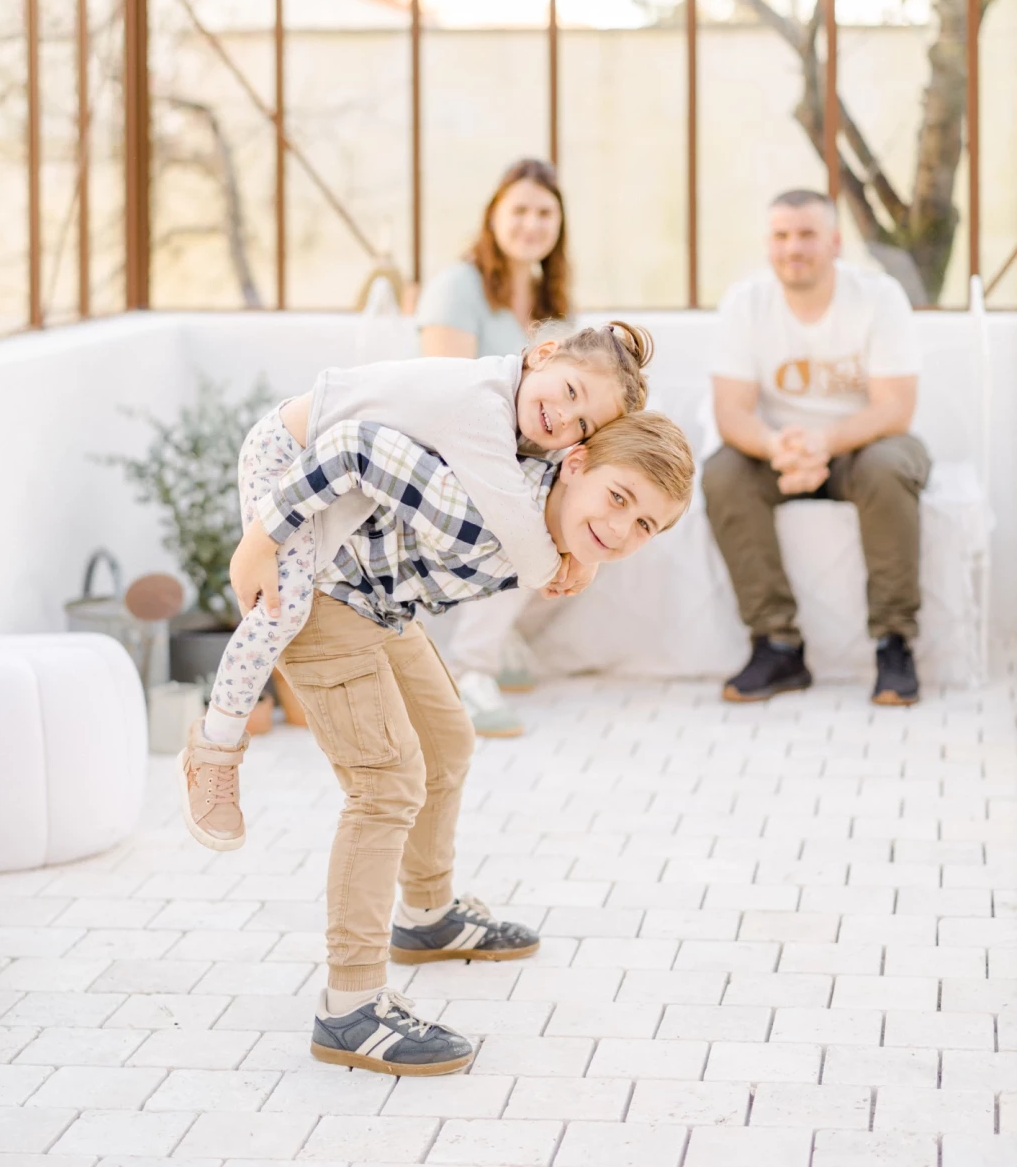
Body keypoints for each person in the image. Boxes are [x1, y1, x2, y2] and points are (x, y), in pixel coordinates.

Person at [212, 404, 694, 1075]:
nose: (621, 527)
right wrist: (265, 536)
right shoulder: (478, 497)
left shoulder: (554, 513)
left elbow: (581, 528)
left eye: (645, 524)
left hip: (377, 598)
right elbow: (354, 443)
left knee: (447, 741)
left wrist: (581, 554)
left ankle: (427, 914)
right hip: (318, 589)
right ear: (574, 465)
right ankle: (349, 1007)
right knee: (386, 785)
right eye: (619, 499)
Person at [180, 321, 654, 853]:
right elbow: (519, 529)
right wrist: (569, 564)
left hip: (337, 481)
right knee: (282, 608)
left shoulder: (522, 415)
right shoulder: (481, 406)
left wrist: (579, 554)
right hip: (289, 454)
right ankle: (213, 747)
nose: (565, 417)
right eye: (570, 392)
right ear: (542, 354)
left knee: (313, 594)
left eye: (583, 423)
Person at [703, 188, 929, 707]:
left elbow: (895, 408)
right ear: (768, 244)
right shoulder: (746, 303)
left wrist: (822, 443)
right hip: (779, 453)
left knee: (889, 465)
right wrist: (779, 447)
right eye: (781, 236)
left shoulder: (879, 296)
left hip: (864, 448)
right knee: (722, 473)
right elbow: (731, 411)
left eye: (807, 234)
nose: (793, 248)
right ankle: (777, 645)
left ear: (835, 242)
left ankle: (895, 644)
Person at [416, 158, 569, 736]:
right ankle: (470, 669)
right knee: (524, 510)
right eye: (520, 210)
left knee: (600, 501)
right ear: (494, 217)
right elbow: (450, 397)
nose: (531, 224)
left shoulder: (552, 297)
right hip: (452, 450)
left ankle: (500, 640)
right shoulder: (459, 286)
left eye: (544, 213)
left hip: (522, 451)